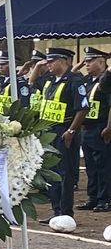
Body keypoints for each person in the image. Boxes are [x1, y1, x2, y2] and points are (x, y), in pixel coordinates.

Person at [38, 47, 90, 224]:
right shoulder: (50, 81)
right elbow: (32, 83)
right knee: (51, 172)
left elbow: (82, 108)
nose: (48, 64)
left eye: (52, 61)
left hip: (64, 132)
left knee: (64, 173)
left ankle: (65, 212)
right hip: (49, 133)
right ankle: (56, 209)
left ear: (64, 61)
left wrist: (72, 131)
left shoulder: (74, 81)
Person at [76, 47, 110, 212]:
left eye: (90, 61)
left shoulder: (107, 80)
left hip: (101, 127)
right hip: (87, 128)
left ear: (101, 62)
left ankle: (105, 199)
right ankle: (94, 197)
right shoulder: (87, 80)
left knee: (103, 165)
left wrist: (109, 127)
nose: (86, 64)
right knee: (91, 165)